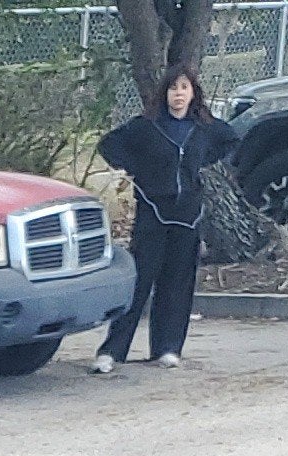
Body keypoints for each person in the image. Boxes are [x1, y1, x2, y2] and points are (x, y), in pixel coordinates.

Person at [96, 67, 241, 374]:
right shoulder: (146, 126)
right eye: (173, 88)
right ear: (164, 93)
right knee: (139, 281)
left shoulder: (203, 128)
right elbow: (110, 145)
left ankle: (168, 348)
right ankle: (112, 351)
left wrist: (200, 163)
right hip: (153, 211)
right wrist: (137, 169)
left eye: (184, 88)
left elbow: (230, 140)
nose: (178, 94)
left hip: (187, 214)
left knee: (177, 283)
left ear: (193, 93)